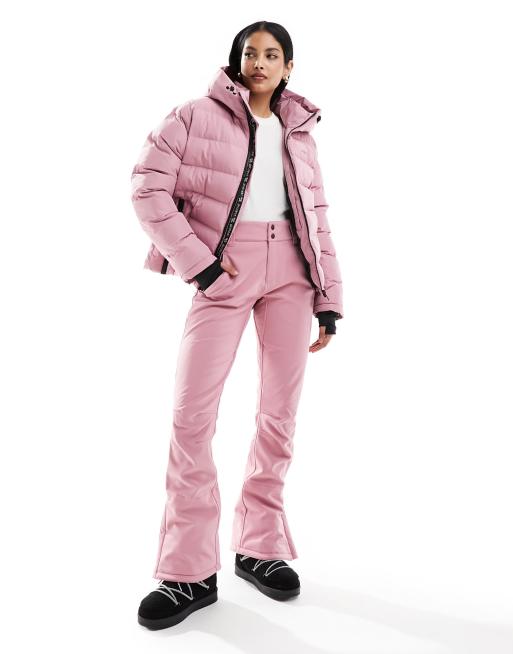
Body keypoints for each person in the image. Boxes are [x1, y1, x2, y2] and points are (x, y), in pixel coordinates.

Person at [131, 21, 344, 630]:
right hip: (224, 272)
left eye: (272, 55)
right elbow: (147, 189)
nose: (260, 62)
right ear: (236, 60)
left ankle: (260, 546)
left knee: (279, 415)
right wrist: (198, 262)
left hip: (293, 275)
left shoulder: (299, 129)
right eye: (250, 53)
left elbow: (316, 215)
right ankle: (187, 572)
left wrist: (328, 298)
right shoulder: (194, 115)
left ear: (288, 67)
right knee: (192, 416)